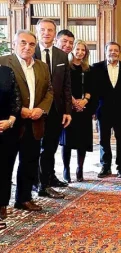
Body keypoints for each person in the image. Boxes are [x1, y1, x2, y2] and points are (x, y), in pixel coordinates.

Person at [0, 29, 53, 212]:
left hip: (35, 123)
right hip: (10, 124)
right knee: (4, 164)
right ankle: (1, 204)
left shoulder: (42, 66)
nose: (27, 47)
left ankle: (23, 198)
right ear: (14, 44)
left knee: (29, 162)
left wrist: (41, 109)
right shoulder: (3, 63)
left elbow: (49, 91)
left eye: (31, 44)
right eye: (23, 42)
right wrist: (17, 110)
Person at [35, 18, 72, 199]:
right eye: (43, 29)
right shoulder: (29, 51)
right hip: (33, 110)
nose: (46, 33)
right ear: (38, 31)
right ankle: (34, 182)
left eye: (50, 30)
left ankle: (46, 183)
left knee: (50, 148)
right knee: (32, 148)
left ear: (54, 33)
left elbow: (66, 86)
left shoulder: (61, 56)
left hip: (56, 110)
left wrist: (67, 111)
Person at [91, 42, 121, 178]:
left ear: (119, 52)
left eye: (116, 50)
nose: (113, 52)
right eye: (110, 50)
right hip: (103, 111)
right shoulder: (96, 68)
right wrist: (94, 111)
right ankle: (105, 166)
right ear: (105, 51)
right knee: (104, 140)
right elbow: (93, 91)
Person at [59, 40, 94, 183]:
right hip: (69, 109)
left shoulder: (88, 69)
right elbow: (63, 87)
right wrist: (73, 101)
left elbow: (92, 88)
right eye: (77, 49)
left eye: (83, 50)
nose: (80, 52)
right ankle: (66, 168)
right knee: (67, 141)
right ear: (72, 50)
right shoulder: (66, 67)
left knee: (82, 141)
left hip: (84, 109)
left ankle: (80, 168)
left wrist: (84, 101)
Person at [0, 65, 21, 230]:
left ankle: (2, 205)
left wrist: (11, 120)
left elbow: (16, 99)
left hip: (6, 128)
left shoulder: (7, 71)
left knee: (5, 169)